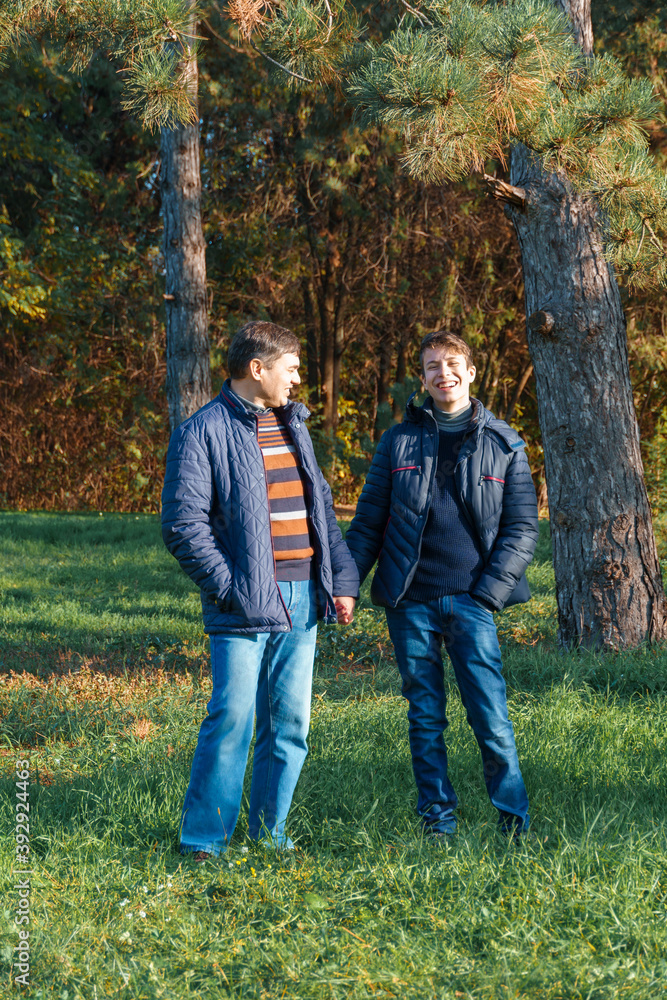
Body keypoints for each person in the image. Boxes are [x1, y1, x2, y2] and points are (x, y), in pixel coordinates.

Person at [162, 321, 359, 859]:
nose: (297, 380)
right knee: (232, 719)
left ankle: (269, 836)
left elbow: (321, 510)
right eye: (291, 368)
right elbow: (183, 527)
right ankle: (205, 841)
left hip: (304, 600)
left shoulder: (294, 425)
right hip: (244, 606)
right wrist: (233, 590)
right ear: (258, 369)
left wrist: (340, 580)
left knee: (291, 725)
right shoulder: (200, 432)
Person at [345, 330, 539, 838]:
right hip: (409, 600)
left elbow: (522, 528)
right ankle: (438, 820)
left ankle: (513, 820)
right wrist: (344, 583)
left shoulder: (506, 442)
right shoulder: (398, 441)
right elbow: (368, 524)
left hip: (473, 599)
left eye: (453, 364)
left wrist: (488, 594)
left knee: (490, 716)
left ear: (472, 372)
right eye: (432, 366)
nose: (443, 373)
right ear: (424, 377)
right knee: (425, 717)